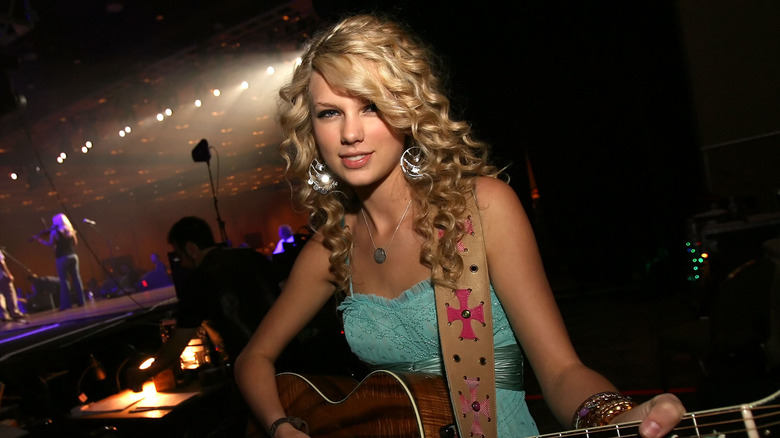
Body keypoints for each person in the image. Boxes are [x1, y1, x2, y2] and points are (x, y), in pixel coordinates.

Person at [234, 14, 685, 438]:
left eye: (370, 106)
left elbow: (561, 370)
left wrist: (617, 418)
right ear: (311, 128)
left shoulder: (480, 209)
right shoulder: (331, 250)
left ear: (407, 112)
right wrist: (279, 426)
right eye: (329, 112)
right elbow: (253, 358)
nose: (350, 133)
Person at [128, 216, 284, 389]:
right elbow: (286, 291)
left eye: (181, 257)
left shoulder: (197, 282)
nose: (184, 264)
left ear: (191, 248)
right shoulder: (253, 257)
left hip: (253, 371)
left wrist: (145, 373)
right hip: (290, 357)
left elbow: (177, 345)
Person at [35, 213, 86, 310]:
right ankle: (81, 301)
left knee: (64, 281)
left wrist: (40, 240)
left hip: (62, 257)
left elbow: (51, 244)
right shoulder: (71, 230)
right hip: (73, 256)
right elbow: (75, 243)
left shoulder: (55, 232)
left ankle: (66, 304)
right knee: (77, 279)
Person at [0, 248, 25, 322]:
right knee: (10, 293)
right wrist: (8, 274)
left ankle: (4, 315)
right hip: (1, 276)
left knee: (0, 296)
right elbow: (2, 262)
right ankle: (15, 313)